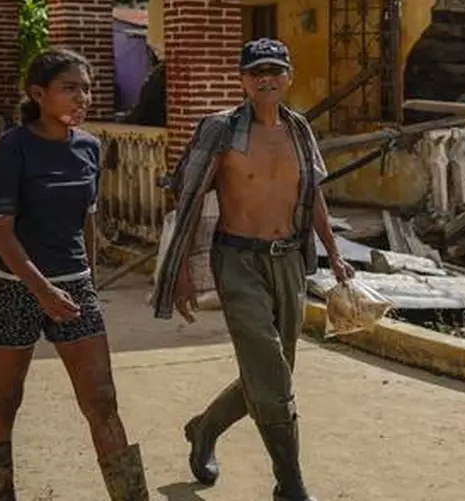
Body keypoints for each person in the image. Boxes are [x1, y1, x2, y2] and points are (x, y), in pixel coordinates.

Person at [151, 38, 353, 501]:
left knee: (272, 372)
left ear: (288, 76)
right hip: (238, 261)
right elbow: (187, 201)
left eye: (274, 70)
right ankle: (291, 484)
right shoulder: (220, 130)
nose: (266, 79)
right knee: (270, 371)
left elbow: (312, 193)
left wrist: (334, 252)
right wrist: (180, 271)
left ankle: (203, 429)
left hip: (289, 261)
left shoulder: (299, 129)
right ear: (242, 79)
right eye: (256, 71)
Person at [0, 48, 148, 501]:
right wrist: (41, 288)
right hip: (14, 287)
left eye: (87, 88)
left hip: (73, 289)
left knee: (102, 399)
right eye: (70, 88)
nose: (82, 97)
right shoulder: (12, 148)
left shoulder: (89, 147)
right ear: (38, 94)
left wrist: (85, 275)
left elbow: (88, 217)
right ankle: (2, 491)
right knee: (6, 396)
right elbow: (0, 229)